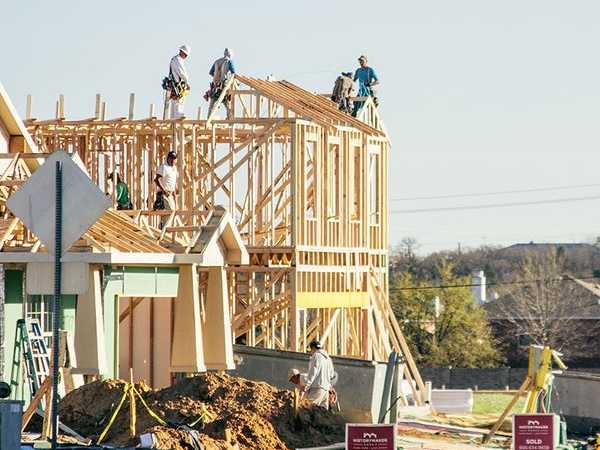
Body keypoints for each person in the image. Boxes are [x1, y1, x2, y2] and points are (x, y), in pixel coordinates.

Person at [301, 340, 337, 409]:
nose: (310, 352)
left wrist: (306, 386)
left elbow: (313, 373)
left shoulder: (316, 356)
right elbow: (331, 374)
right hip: (325, 390)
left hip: (317, 387)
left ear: (313, 348)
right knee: (323, 413)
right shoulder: (328, 358)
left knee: (308, 408)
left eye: (310, 350)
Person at [205, 48, 236, 117]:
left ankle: (209, 118)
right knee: (227, 103)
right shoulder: (229, 61)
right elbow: (233, 73)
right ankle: (230, 118)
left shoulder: (217, 61)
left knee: (212, 103)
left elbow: (211, 72)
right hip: (224, 85)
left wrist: (216, 77)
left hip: (215, 85)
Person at [153, 151, 178, 228]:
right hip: (163, 194)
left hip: (170, 194)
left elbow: (172, 184)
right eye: (171, 159)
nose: (173, 160)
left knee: (170, 213)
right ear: (168, 159)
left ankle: (162, 229)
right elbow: (156, 179)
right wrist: (164, 190)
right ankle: (164, 229)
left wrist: (175, 197)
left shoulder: (174, 169)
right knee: (170, 211)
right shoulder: (164, 167)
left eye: (174, 159)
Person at [165, 45, 191, 119]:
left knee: (174, 104)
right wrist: (187, 83)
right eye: (185, 55)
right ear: (183, 52)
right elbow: (182, 73)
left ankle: (173, 120)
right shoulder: (178, 60)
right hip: (177, 85)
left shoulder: (175, 59)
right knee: (178, 102)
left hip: (174, 84)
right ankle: (178, 117)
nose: (185, 57)